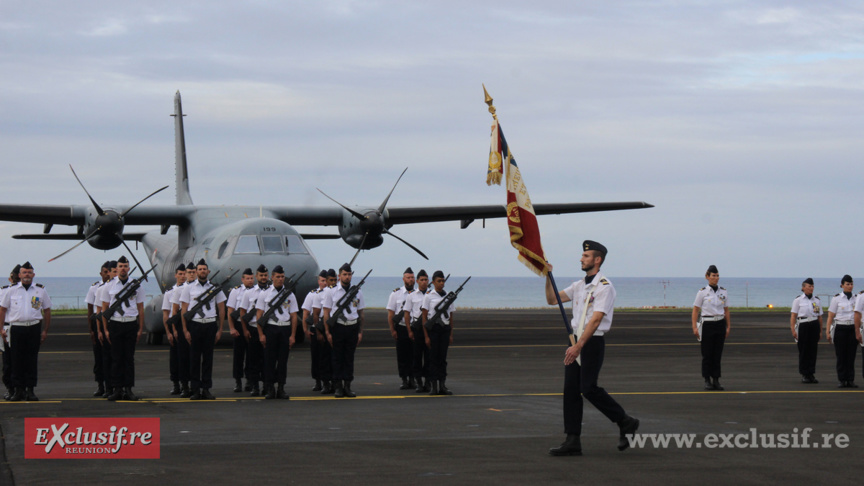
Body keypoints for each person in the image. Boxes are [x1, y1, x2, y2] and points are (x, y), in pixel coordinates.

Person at [544, 241, 639, 456]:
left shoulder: (604, 286)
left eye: (586, 256)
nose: (581, 258)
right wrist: (547, 277)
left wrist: (578, 346)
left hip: (590, 342)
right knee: (570, 391)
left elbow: (595, 320)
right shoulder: (579, 285)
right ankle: (572, 440)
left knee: (588, 388)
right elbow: (552, 299)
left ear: (598, 260)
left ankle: (625, 421)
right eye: (582, 255)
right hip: (575, 340)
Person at [0, 262, 51, 402]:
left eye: (29, 272)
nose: (27, 275)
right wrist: (1, 329)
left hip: (34, 327)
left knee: (31, 360)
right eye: (24, 272)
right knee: (16, 360)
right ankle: (18, 390)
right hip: (16, 328)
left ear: (33, 275)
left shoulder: (40, 290)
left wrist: (45, 330)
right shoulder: (11, 290)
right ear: (19, 275)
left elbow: (46, 310)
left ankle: (30, 390)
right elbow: (3, 309)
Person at [180, 259, 226, 400]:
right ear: (196, 271)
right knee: (194, 359)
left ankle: (206, 389)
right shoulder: (189, 288)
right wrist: (185, 330)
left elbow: (221, 307)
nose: (202, 271)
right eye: (199, 269)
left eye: (204, 269)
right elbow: (184, 309)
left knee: (208, 359)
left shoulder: (214, 288)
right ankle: (195, 389)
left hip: (210, 325)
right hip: (195, 325)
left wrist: (220, 329)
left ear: (208, 271)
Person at [102, 256, 145, 401]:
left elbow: (140, 307)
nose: (123, 269)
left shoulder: (136, 285)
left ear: (128, 267)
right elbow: (104, 309)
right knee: (116, 358)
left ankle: (128, 389)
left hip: (131, 324)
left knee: (129, 358)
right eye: (120, 266)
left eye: (125, 266)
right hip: (115, 324)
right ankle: (117, 389)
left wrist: (140, 328)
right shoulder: (109, 286)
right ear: (117, 268)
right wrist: (106, 329)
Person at [322, 263, 366, 398]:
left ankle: (347, 386)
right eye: (345, 274)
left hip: (352, 327)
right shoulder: (331, 291)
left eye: (349, 274)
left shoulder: (358, 292)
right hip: (338, 327)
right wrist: (328, 332)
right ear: (339, 276)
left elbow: (361, 313)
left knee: (349, 358)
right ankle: (338, 387)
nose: (347, 277)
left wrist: (360, 331)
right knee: (337, 358)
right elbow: (326, 312)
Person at [255, 265, 298, 399]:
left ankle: (281, 388)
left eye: (282, 277)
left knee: (282, 360)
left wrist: (292, 335)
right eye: (278, 277)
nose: (280, 279)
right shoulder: (265, 293)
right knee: (269, 360)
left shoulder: (289, 294)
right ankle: (269, 388)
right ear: (272, 277)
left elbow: (294, 316)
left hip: (284, 328)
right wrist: (261, 334)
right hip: (271, 328)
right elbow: (259, 315)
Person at [692, 265, 730, 391]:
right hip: (707, 324)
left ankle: (716, 380)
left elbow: (726, 310)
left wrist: (728, 326)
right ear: (707, 277)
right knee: (707, 354)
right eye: (713, 276)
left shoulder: (723, 291)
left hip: (719, 323)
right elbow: (696, 310)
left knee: (717, 354)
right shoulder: (702, 292)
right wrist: (694, 326)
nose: (716, 278)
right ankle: (707, 379)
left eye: (717, 275)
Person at [421, 270, 455, 395]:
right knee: (433, 358)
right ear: (433, 282)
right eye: (439, 281)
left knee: (442, 358)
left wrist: (451, 333)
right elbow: (424, 317)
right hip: (434, 329)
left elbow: (450, 316)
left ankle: (442, 385)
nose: (441, 283)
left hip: (445, 329)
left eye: (443, 281)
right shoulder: (429, 296)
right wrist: (426, 336)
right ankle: (434, 386)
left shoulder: (448, 297)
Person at [240, 264, 269, 396]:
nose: (263, 278)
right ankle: (254, 386)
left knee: (267, 359)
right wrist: (245, 330)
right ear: (256, 277)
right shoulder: (249, 293)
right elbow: (242, 312)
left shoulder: (272, 291)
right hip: (253, 329)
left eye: (265, 275)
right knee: (253, 359)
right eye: (261, 275)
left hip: (268, 329)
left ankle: (266, 385)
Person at [170, 262, 197, 397]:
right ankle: (184, 386)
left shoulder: (200, 288)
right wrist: (175, 330)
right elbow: (175, 311)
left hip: (196, 324)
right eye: (189, 272)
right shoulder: (179, 290)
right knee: (183, 357)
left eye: (193, 272)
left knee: (194, 357)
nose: (191, 274)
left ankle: (194, 385)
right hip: (182, 326)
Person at [84, 261, 111, 397]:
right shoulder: (94, 288)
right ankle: (101, 385)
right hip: (97, 321)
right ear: (101, 274)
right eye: (105, 272)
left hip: (112, 321)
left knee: (111, 356)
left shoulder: (114, 287)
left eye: (109, 271)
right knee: (99, 356)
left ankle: (111, 385)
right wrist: (91, 330)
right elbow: (90, 310)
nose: (107, 274)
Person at [386, 267, 416, 390]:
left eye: (412, 277)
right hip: (401, 328)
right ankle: (404, 379)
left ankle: (413, 379)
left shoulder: (418, 293)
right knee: (402, 355)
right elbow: (390, 314)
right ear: (403, 279)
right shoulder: (396, 293)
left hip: (414, 327)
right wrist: (392, 330)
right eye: (408, 277)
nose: (411, 280)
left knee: (414, 355)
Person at [827, 275, 857, 388]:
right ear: (842, 285)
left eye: (851, 284)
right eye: (847, 284)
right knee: (841, 355)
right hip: (840, 328)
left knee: (851, 355)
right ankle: (842, 379)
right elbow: (831, 315)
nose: (850, 286)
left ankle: (850, 379)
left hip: (852, 328)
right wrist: (828, 331)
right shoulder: (837, 298)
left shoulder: (856, 298)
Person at [227, 268, 254, 392]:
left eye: (251, 278)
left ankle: (249, 380)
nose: (250, 280)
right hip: (238, 325)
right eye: (247, 278)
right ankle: (238, 381)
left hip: (251, 325)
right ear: (242, 279)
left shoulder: (256, 291)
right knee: (238, 355)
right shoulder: (235, 291)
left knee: (251, 354)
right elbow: (230, 311)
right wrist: (232, 328)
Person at [791, 278, 822, 384]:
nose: (811, 288)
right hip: (803, 325)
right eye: (809, 286)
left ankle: (811, 373)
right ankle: (804, 374)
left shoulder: (816, 300)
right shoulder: (798, 300)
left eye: (812, 286)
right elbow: (793, 315)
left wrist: (820, 331)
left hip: (814, 324)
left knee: (813, 351)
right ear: (803, 288)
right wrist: (793, 330)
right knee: (804, 350)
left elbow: (819, 316)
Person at [404, 269, 431, 392]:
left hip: (429, 329)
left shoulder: (432, 295)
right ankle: (419, 382)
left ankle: (428, 382)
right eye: (421, 280)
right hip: (417, 329)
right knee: (417, 356)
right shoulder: (411, 296)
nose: (424, 282)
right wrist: (409, 330)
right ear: (417, 281)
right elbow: (407, 314)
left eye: (426, 280)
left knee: (429, 357)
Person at [301, 270, 328, 391]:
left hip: (327, 327)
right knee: (316, 357)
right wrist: (305, 330)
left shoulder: (331, 294)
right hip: (315, 327)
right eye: (322, 281)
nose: (325, 283)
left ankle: (328, 381)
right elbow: (306, 313)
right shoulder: (312, 294)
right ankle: (318, 381)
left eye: (326, 280)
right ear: (318, 281)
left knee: (327, 356)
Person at [161, 264, 186, 395]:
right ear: (176, 275)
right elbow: (166, 314)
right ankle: (176, 384)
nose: (182, 276)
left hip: (185, 327)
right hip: (174, 326)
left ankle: (184, 384)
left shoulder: (190, 290)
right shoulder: (170, 292)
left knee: (185, 358)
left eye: (184, 274)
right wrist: (168, 332)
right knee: (175, 358)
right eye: (180, 274)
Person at [312, 268, 337, 394]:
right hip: (324, 325)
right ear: (326, 281)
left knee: (335, 357)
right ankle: (325, 383)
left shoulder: (339, 292)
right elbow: (316, 314)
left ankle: (335, 383)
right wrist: (318, 332)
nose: (332, 282)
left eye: (334, 280)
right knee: (324, 358)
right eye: (330, 280)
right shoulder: (320, 294)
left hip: (336, 326)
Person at [95, 260, 118, 398]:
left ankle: (118, 387)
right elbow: (98, 311)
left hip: (118, 324)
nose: (115, 274)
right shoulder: (101, 289)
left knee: (117, 359)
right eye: (113, 271)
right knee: (106, 359)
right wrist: (99, 330)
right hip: (106, 326)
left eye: (117, 271)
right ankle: (107, 387)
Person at [2, 264, 21, 400]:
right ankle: (10, 388)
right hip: (6, 328)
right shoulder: (4, 291)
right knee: (8, 361)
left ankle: (21, 389)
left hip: (20, 327)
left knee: (21, 361)